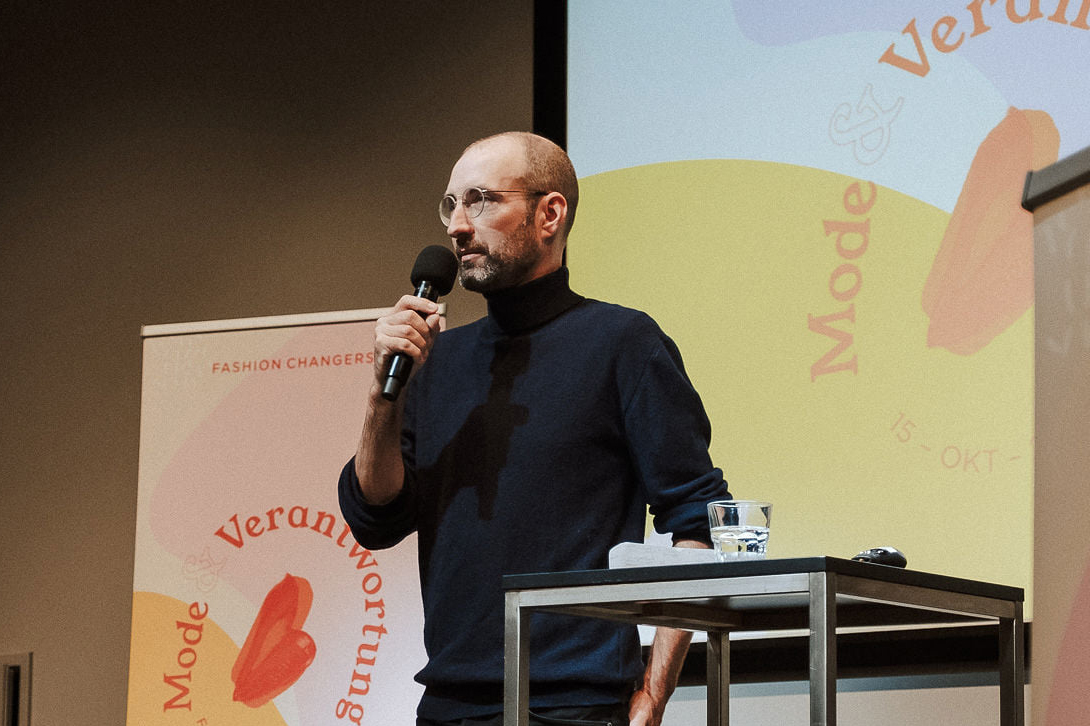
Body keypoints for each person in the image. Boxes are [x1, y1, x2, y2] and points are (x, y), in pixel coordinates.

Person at [338, 131, 729, 726]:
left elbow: (698, 524)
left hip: (574, 706)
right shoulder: (435, 360)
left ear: (549, 214)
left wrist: (655, 690)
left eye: (482, 200)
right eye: (450, 205)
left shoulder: (622, 344)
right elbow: (375, 518)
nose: (458, 226)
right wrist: (380, 395)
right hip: (448, 705)